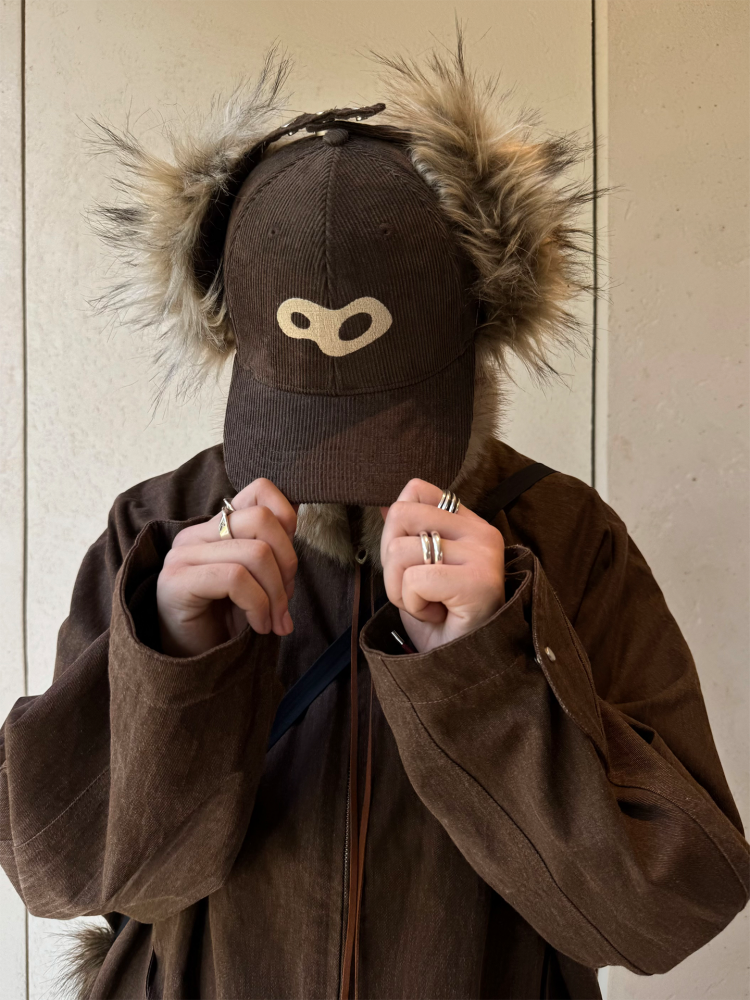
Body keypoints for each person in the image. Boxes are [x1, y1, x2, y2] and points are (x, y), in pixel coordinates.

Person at [1, 44, 747, 1000]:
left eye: (388, 419)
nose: (341, 476)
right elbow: (60, 874)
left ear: (481, 335)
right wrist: (173, 661)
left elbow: (668, 912)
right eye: (303, 421)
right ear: (237, 340)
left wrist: (485, 672)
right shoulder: (159, 529)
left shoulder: (568, 539)